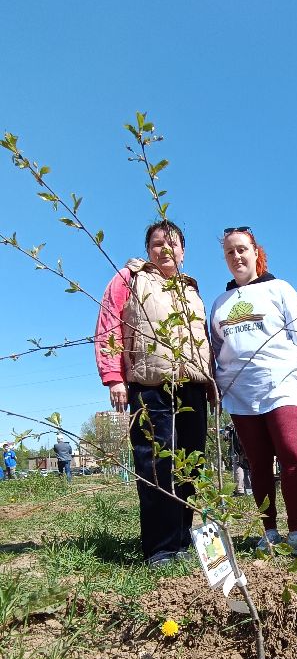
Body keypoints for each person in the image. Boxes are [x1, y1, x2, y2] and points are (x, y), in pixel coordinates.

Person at [95, 220, 212, 566]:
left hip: (191, 388)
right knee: (157, 463)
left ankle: (182, 540)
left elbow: (203, 340)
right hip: (150, 388)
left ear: (183, 251)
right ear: (148, 250)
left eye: (173, 243)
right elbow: (109, 325)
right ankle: (161, 548)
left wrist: (211, 384)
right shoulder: (129, 278)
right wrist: (114, 377)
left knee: (191, 464)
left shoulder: (190, 289)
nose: (166, 249)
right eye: (158, 243)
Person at [210, 227, 297, 560]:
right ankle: (270, 533)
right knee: (257, 464)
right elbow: (218, 349)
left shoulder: (280, 290)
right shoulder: (220, 304)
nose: (237, 257)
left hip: (281, 385)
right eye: (230, 252)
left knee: (292, 456)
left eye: (242, 250)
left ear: (256, 252)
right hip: (240, 393)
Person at [226, 423, 252, 496]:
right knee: (247, 470)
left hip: (239, 449)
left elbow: (231, 425)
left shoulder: (237, 418)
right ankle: (249, 491)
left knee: (239, 468)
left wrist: (227, 429)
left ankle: (240, 490)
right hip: (248, 447)